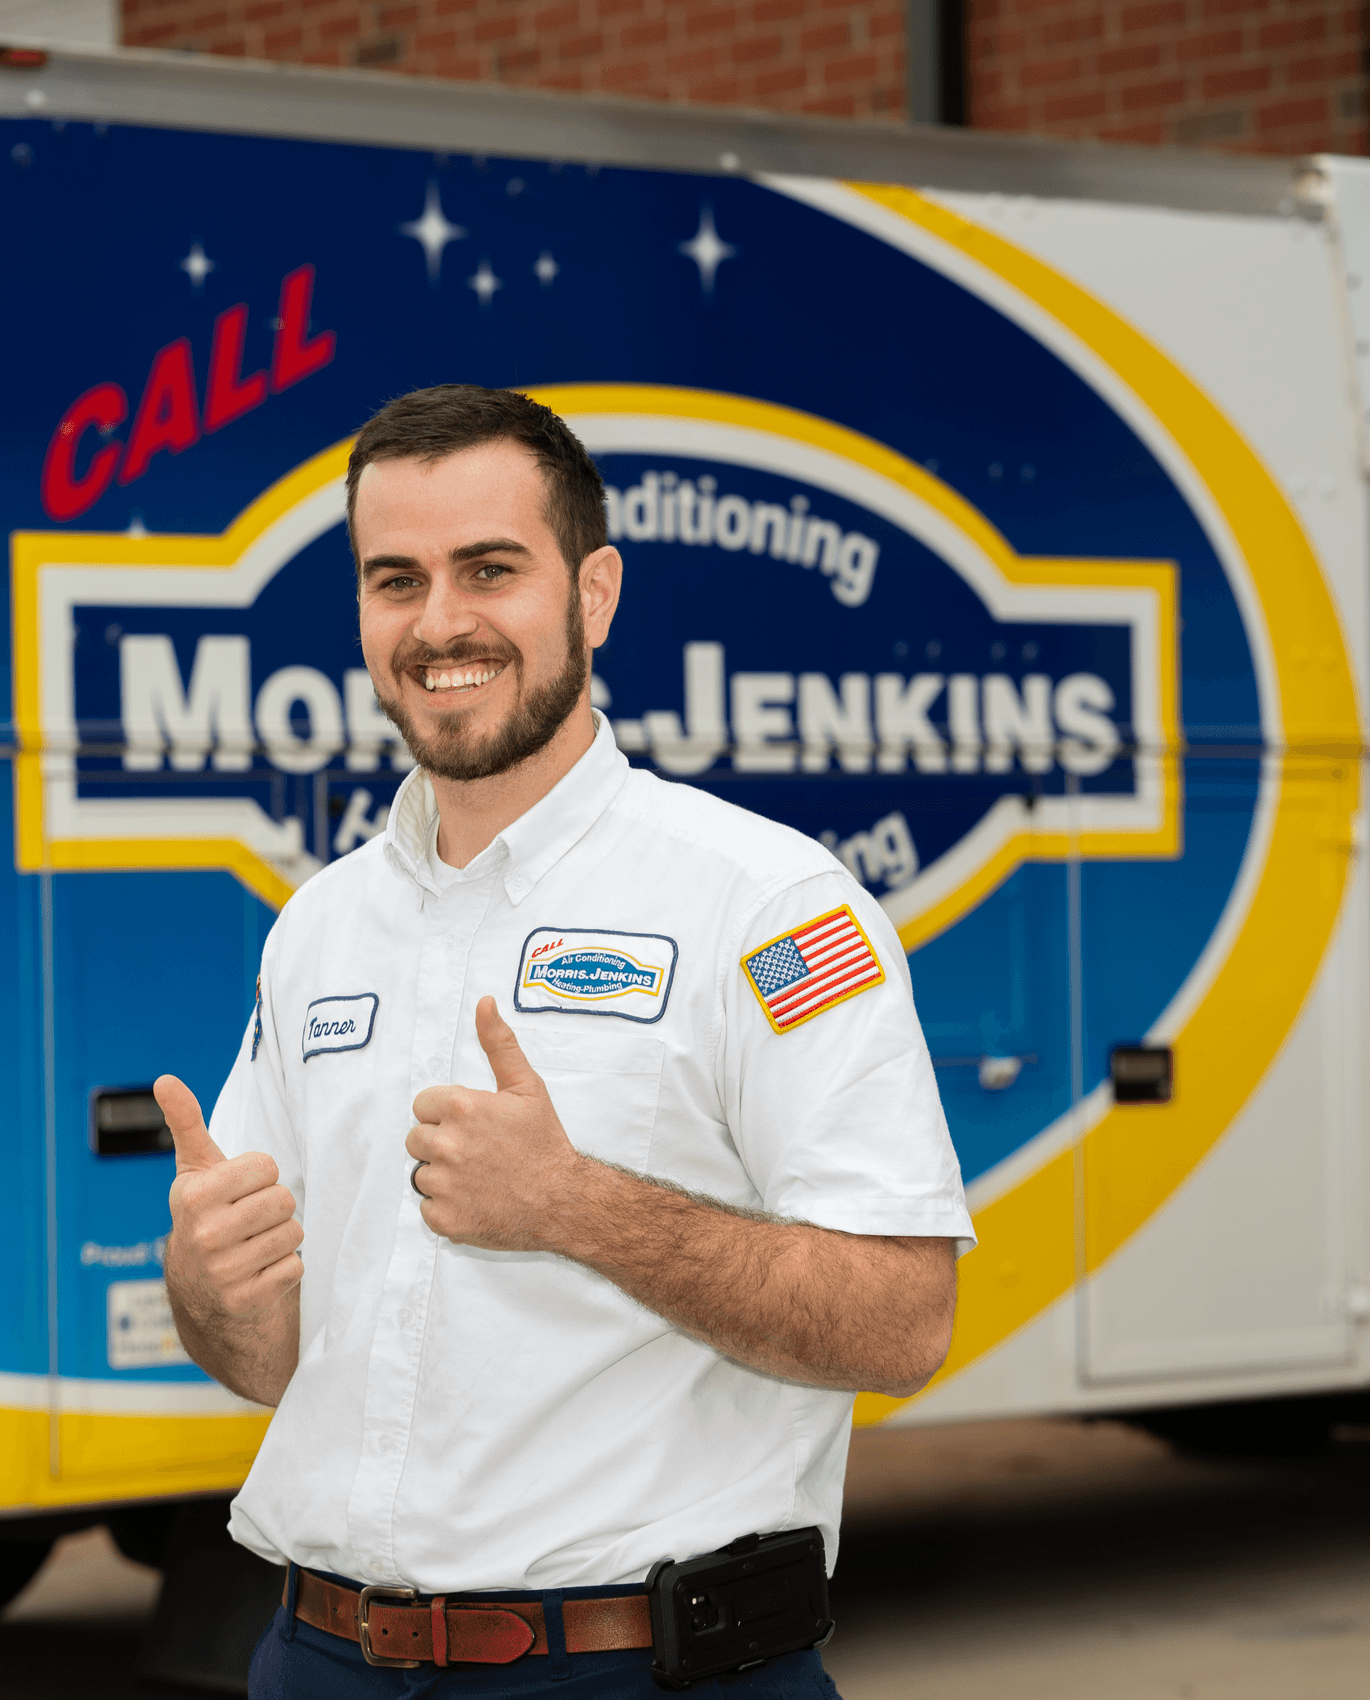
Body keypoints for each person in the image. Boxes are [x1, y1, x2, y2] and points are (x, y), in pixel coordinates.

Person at [156, 384, 973, 1697]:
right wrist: (211, 1288)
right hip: (320, 1661)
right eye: (394, 579)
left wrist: (576, 1206)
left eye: (490, 569)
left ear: (593, 595)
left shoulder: (764, 904)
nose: (439, 625)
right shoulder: (319, 929)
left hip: (637, 1669)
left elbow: (903, 1318)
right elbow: (265, 1362)